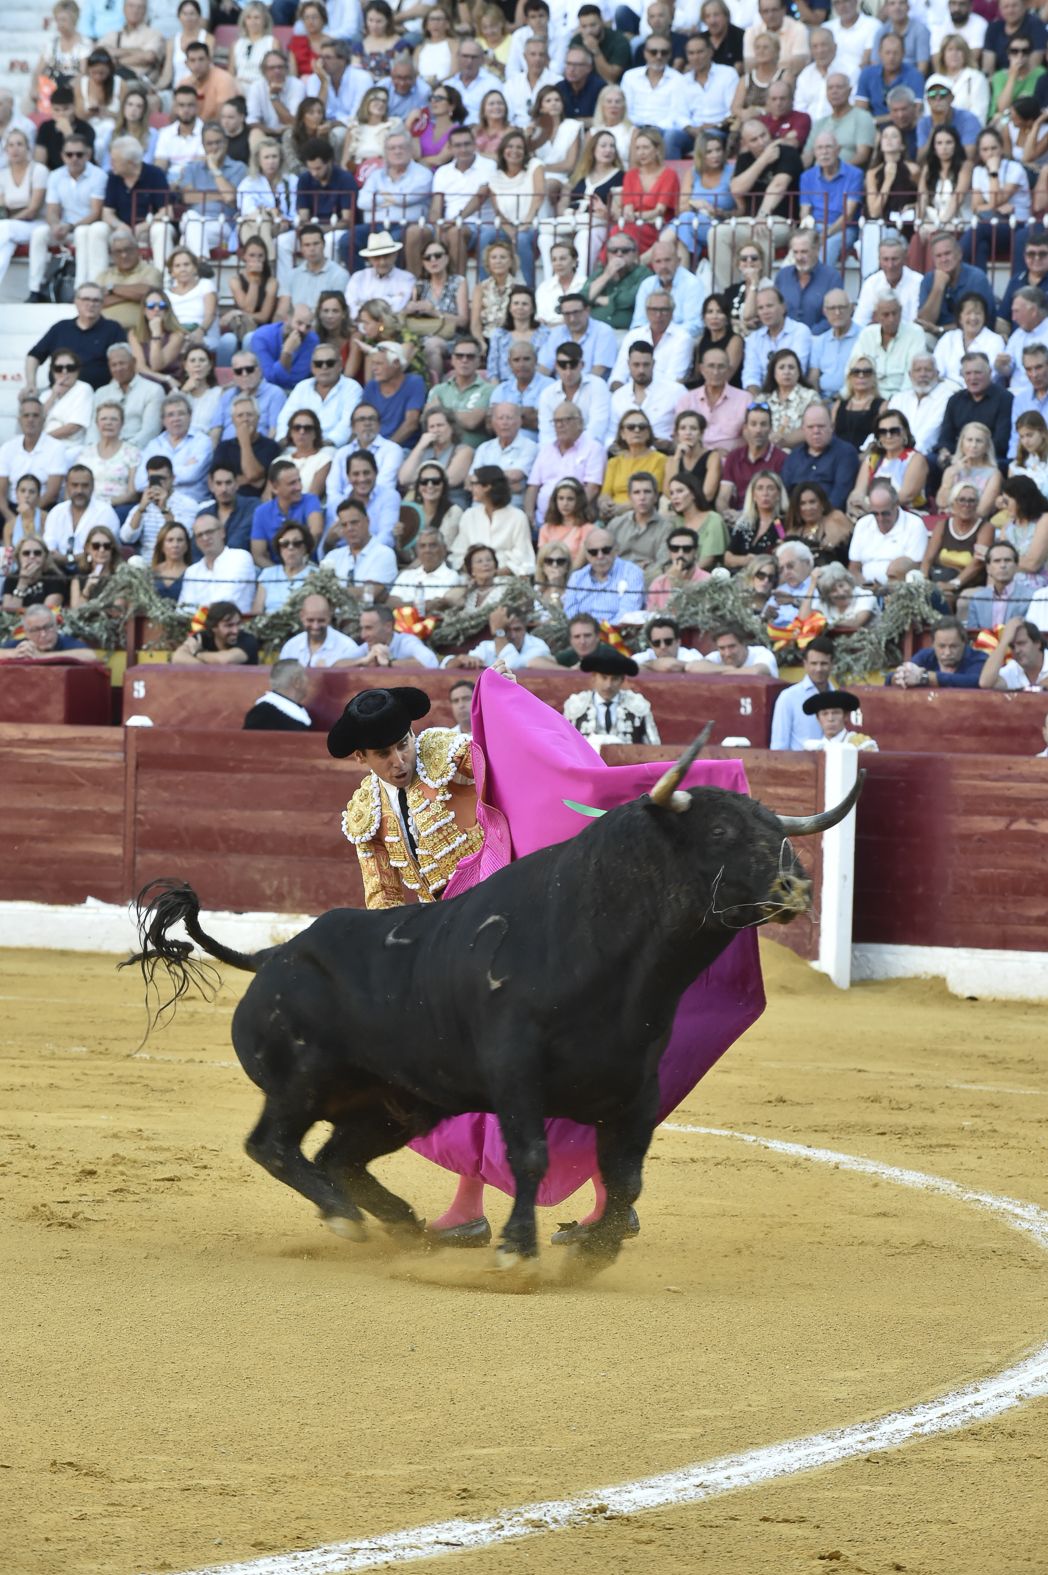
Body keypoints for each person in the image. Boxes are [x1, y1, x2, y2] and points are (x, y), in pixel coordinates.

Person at [936, 351, 1014, 471]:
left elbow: (1001, 442)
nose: (972, 378)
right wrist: (945, 451)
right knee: (930, 461)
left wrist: (970, 456)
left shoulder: (1005, 399)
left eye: (978, 373)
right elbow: (945, 437)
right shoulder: (955, 400)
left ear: (990, 373)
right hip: (957, 457)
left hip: (989, 458)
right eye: (968, 373)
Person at [562, 649, 660, 743]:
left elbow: (653, 747)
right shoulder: (576, 705)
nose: (608, 685)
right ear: (594, 677)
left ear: (622, 680)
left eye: (615, 679)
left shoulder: (638, 705)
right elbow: (564, 745)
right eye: (604, 678)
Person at [781, 402, 859, 513]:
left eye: (821, 426)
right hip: (795, 520)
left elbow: (839, 496)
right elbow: (784, 493)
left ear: (832, 427)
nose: (816, 431)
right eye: (810, 427)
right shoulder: (794, 456)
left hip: (828, 519)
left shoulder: (845, 453)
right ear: (803, 429)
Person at [848, 479, 927, 586]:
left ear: (896, 505)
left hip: (901, 590)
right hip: (865, 590)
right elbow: (854, 568)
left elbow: (914, 569)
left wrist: (884, 589)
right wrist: (865, 586)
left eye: (885, 513)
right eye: (875, 513)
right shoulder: (863, 524)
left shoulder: (914, 524)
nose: (880, 519)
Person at [178, 513, 257, 612]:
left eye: (209, 532)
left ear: (222, 532)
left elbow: (226, 601)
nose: (205, 538)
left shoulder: (240, 557)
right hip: (197, 625)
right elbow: (184, 608)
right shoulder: (192, 571)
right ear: (196, 541)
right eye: (199, 535)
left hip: (236, 625)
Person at [769, 635, 837, 749]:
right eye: (814, 663)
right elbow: (778, 746)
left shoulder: (838, 697)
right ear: (805, 664)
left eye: (823, 663)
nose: (818, 669)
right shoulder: (788, 697)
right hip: (798, 765)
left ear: (832, 664)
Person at [888, 615, 987, 687]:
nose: (947, 652)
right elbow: (891, 678)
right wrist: (901, 676)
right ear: (933, 644)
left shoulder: (978, 659)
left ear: (964, 643)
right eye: (942, 646)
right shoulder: (926, 656)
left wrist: (925, 678)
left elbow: (974, 681)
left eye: (953, 646)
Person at [445, 605, 551, 671]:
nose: (513, 636)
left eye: (517, 629)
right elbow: (446, 666)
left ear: (525, 629)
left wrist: (499, 631)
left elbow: (511, 666)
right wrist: (460, 659)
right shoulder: (487, 646)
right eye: (506, 630)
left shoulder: (539, 647)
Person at [279, 590, 366, 666]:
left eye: (321, 620)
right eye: (310, 620)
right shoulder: (290, 647)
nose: (315, 626)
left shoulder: (347, 648)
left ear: (329, 617)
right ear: (302, 616)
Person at [965, 540, 1036, 629]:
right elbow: (972, 635)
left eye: (1007, 560)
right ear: (988, 568)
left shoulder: (1032, 597)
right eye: (997, 561)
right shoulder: (977, 599)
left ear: (1016, 566)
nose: (1002, 565)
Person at [172, 599, 260, 666]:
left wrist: (197, 654)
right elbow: (177, 657)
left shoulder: (248, 640)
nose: (235, 630)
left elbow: (225, 660)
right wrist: (205, 669)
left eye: (238, 624)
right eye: (229, 626)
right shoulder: (202, 637)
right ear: (213, 627)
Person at [0, 603, 94, 661]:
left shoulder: (65, 642)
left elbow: (90, 656)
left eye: (48, 627)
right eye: (36, 630)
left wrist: (41, 656)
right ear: (26, 633)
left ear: (56, 626)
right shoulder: (23, 646)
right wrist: (15, 654)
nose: (43, 634)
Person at [978, 615, 1048, 689]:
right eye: (1012, 646)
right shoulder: (1012, 669)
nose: (1017, 650)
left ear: (1037, 643)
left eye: (1021, 643)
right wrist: (1004, 641)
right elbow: (985, 682)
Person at [243, 659, 314, 730]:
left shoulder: (261, 711)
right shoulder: (262, 714)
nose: (308, 680)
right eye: (305, 675)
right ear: (297, 682)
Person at [801, 689, 879, 750]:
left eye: (836, 713)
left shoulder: (862, 745)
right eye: (825, 714)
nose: (830, 719)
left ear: (845, 716)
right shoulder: (813, 748)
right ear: (818, 718)